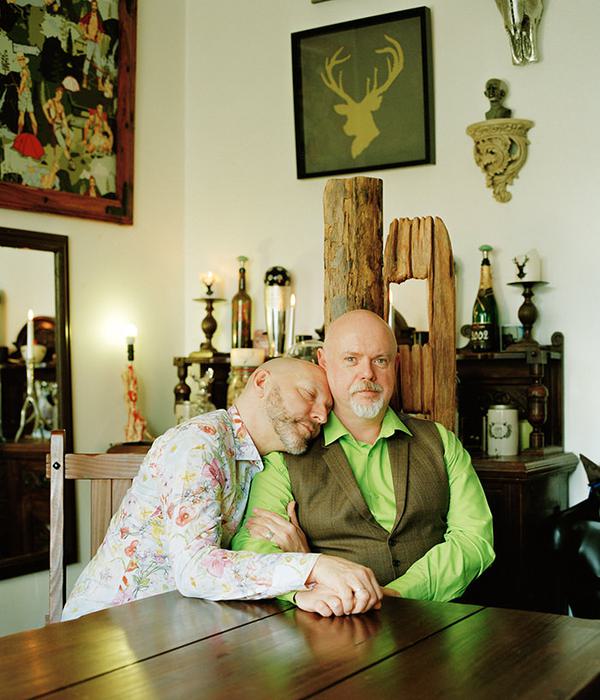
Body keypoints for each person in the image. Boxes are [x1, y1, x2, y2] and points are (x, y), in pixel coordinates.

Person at [62, 357, 382, 621]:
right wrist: (314, 566)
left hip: (176, 631)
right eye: (309, 394)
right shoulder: (200, 441)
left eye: (327, 408)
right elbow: (197, 569)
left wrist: (300, 591)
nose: (321, 415)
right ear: (261, 382)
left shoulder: (259, 463)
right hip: (104, 635)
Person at [232, 310, 495, 610]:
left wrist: (394, 595)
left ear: (395, 366)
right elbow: (252, 548)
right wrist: (303, 584)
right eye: (351, 359)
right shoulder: (287, 451)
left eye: (380, 361)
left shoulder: (440, 441)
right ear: (324, 362)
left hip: (438, 620)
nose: (367, 373)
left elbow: (475, 540)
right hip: (328, 628)